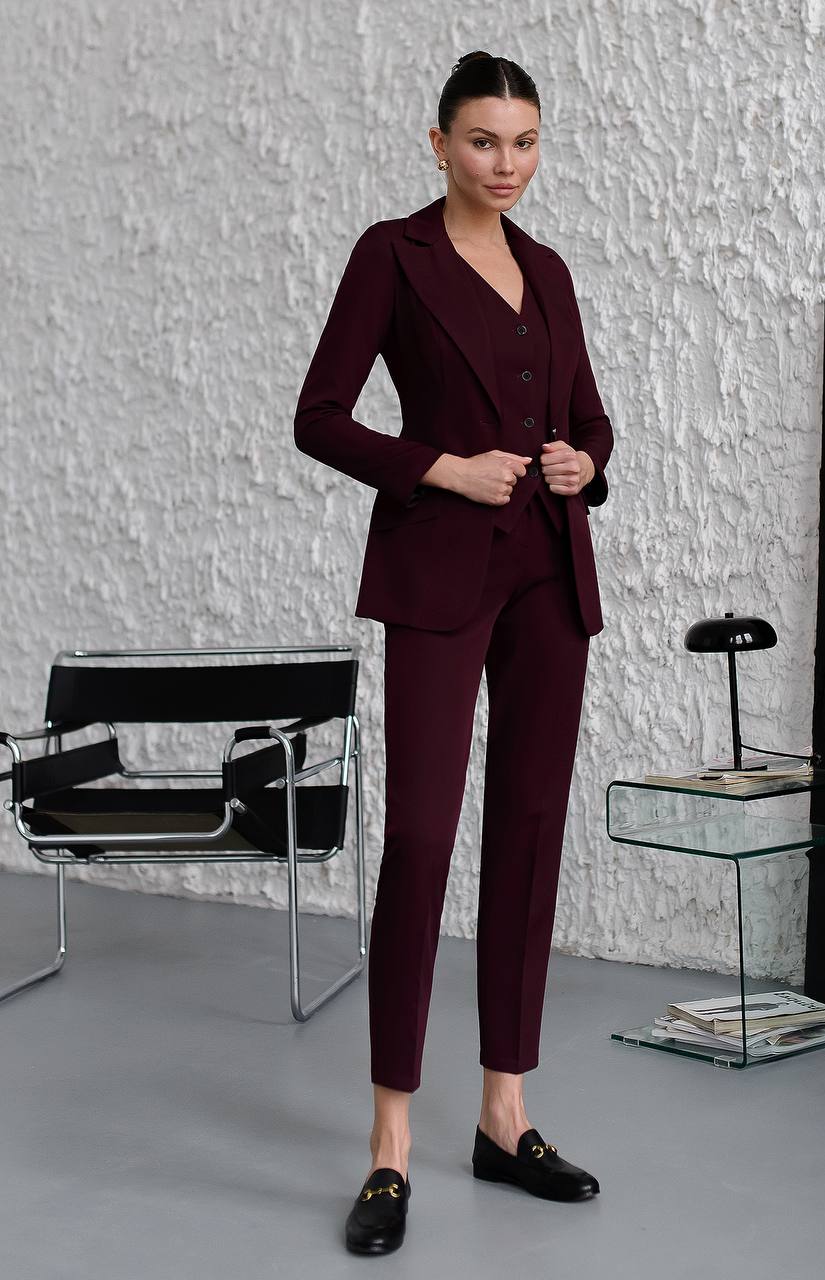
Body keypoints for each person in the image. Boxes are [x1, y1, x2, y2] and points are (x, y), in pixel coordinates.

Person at [293, 49, 614, 1256]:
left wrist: (590, 462)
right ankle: (388, 1143)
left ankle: (502, 1113)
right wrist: (435, 464)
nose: (507, 164)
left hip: (547, 574)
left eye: (524, 141)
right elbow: (318, 413)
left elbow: (585, 414)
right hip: (437, 571)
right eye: (484, 141)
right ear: (438, 145)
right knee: (423, 838)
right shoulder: (393, 254)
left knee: (527, 830)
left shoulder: (551, 271)